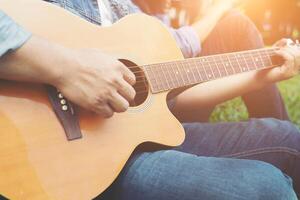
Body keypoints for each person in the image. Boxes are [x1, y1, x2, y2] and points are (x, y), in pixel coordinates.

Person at [0, 1, 299, 200]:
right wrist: (66, 69)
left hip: (132, 141)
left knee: (289, 139)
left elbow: (172, 98)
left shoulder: (121, 9)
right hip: (72, 163)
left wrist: (266, 72)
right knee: (264, 187)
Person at [133, 0, 290, 122]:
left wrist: (158, 10)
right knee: (236, 24)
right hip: (153, 113)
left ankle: (281, 133)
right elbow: (178, 46)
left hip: (160, 87)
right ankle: (283, 138)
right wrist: (220, 7)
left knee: (235, 22)